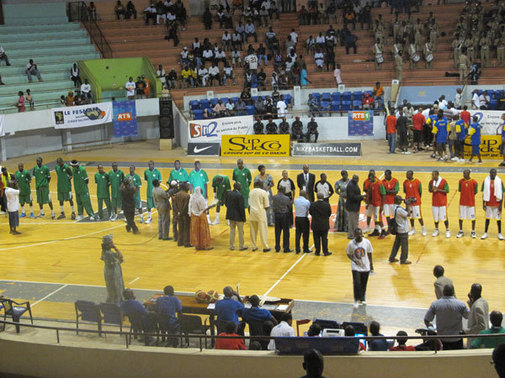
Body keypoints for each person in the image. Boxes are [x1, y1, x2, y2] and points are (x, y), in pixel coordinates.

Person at [424, 284, 469, 350]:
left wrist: (430, 328)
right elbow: (468, 317)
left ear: (443, 292)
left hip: (441, 339)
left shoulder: (435, 304)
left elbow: (426, 320)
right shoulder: (461, 304)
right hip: (457, 339)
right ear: (453, 292)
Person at [346, 228, 373, 308]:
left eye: (360, 235)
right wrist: (354, 260)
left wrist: (371, 265)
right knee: (357, 283)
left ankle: (362, 298)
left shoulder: (367, 242)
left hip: (365, 266)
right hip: (355, 266)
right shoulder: (351, 244)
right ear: (354, 235)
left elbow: (369, 253)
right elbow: (348, 254)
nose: (358, 236)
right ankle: (356, 300)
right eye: (357, 235)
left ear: (362, 234)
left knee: (363, 283)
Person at [101, 234, 124, 304]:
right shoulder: (109, 254)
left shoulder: (104, 252)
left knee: (111, 289)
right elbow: (121, 256)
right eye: (111, 243)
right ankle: (116, 305)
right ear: (108, 245)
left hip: (109, 271)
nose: (113, 243)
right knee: (116, 289)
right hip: (113, 272)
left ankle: (114, 302)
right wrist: (115, 248)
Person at [481, 169, 504, 240]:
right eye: (492, 173)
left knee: (498, 219)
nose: (493, 174)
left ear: (496, 173)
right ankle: (485, 233)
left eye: (494, 173)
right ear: (490, 173)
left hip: (497, 203)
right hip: (488, 203)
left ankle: (499, 233)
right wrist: (483, 204)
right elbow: (483, 193)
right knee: (487, 219)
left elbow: (502, 194)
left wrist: (500, 205)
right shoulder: (485, 181)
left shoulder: (500, 181)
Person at [388, 195, 411, 264]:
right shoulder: (399, 209)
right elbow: (408, 214)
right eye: (400, 200)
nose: (401, 201)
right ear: (397, 201)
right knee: (404, 245)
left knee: (396, 244)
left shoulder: (393, 207)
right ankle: (403, 259)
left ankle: (392, 257)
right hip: (403, 229)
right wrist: (408, 205)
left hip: (398, 228)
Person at [249, 181, 271, 252]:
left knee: (252, 231)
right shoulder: (263, 192)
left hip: (252, 213)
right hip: (261, 212)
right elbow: (267, 205)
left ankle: (253, 246)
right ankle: (265, 246)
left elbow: (249, 204)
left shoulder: (251, 192)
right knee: (263, 230)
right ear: (260, 185)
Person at [309, 192, 333, 257]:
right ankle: (325, 251)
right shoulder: (327, 205)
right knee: (324, 238)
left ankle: (317, 251)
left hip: (315, 224)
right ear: (323, 197)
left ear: (317, 197)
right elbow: (329, 214)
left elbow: (311, 212)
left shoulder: (313, 204)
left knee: (316, 238)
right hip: (324, 224)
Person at [403, 170, 426, 236]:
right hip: (408, 202)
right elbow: (405, 191)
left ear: (412, 175)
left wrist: (417, 199)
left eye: (408, 174)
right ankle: (413, 229)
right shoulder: (405, 182)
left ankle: (423, 228)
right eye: (406, 174)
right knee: (410, 216)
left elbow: (420, 192)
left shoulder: (417, 182)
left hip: (416, 202)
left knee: (418, 216)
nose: (407, 176)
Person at [225, 182, 247, 251]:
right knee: (240, 231)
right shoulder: (239, 195)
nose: (241, 187)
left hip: (231, 216)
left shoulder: (229, 194)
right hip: (239, 217)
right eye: (240, 186)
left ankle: (231, 246)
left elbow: (226, 204)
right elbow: (241, 208)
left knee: (232, 230)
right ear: (238, 187)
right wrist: (243, 218)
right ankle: (241, 246)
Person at [429, 170, 450, 238]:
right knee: (435, 217)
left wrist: (438, 189)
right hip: (434, 202)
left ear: (437, 175)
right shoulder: (431, 182)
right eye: (432, 175)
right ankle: (436, 230)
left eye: (433, 175)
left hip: (442, 203)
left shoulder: (444, 181)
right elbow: (429, 190)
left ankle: (447, 230)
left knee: (444, 217)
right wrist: (432, 190)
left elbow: (447, 191)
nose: (432, 176)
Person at [457, 169, 478, 238]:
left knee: (472, 218)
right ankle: (460, 231)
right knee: (461, 217)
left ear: (469, 174)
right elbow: (460, 190)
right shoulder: (460, 181)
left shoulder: (474, 182)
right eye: (463, 173)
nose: (464, 175)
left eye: (465, 173)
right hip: (462, 202)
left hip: (471, 203)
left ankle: (473, 231)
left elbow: (475, 192)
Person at [272, 187, 292, 253]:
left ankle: (277, 247)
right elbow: (290, 207)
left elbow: (272, 206)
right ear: (284, 191)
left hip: (277, 215)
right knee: (286, 232)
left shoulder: (274, 197)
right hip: (284, 216)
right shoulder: (287, 198)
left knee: (277, 232)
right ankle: (286, 248)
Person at [346, 175, 364, 239]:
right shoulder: (351, 185)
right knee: (352, 221)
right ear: (353, 179)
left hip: (355, 206)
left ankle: (355, 234)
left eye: (357, 178)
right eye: (355, 178)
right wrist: (361, 197)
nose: (357, 180)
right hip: (352, 207)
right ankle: (351, 235)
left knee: (355, 221)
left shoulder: (354, 184)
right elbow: (352, 197)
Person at [294, 190, 311, 254]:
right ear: (305, 195)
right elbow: (309, 208)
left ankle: (297, 249)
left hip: (297, 218)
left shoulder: (296, 201)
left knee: (297, 234)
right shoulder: (307, 201)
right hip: (304, 218)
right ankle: (305, 248)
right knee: (305, 234)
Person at [174, 182, 191, 247]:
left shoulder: (177, 195)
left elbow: (174, 205)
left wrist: (178, 212)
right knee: (186, 228)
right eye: (187, 186)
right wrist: (181, 213)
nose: (188, 187)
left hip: (178, 214)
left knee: (180, 228)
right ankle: (186, 242)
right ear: (184, 187)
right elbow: (185, 205)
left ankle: (180, 242)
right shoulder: (187, 195)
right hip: (185, 214)